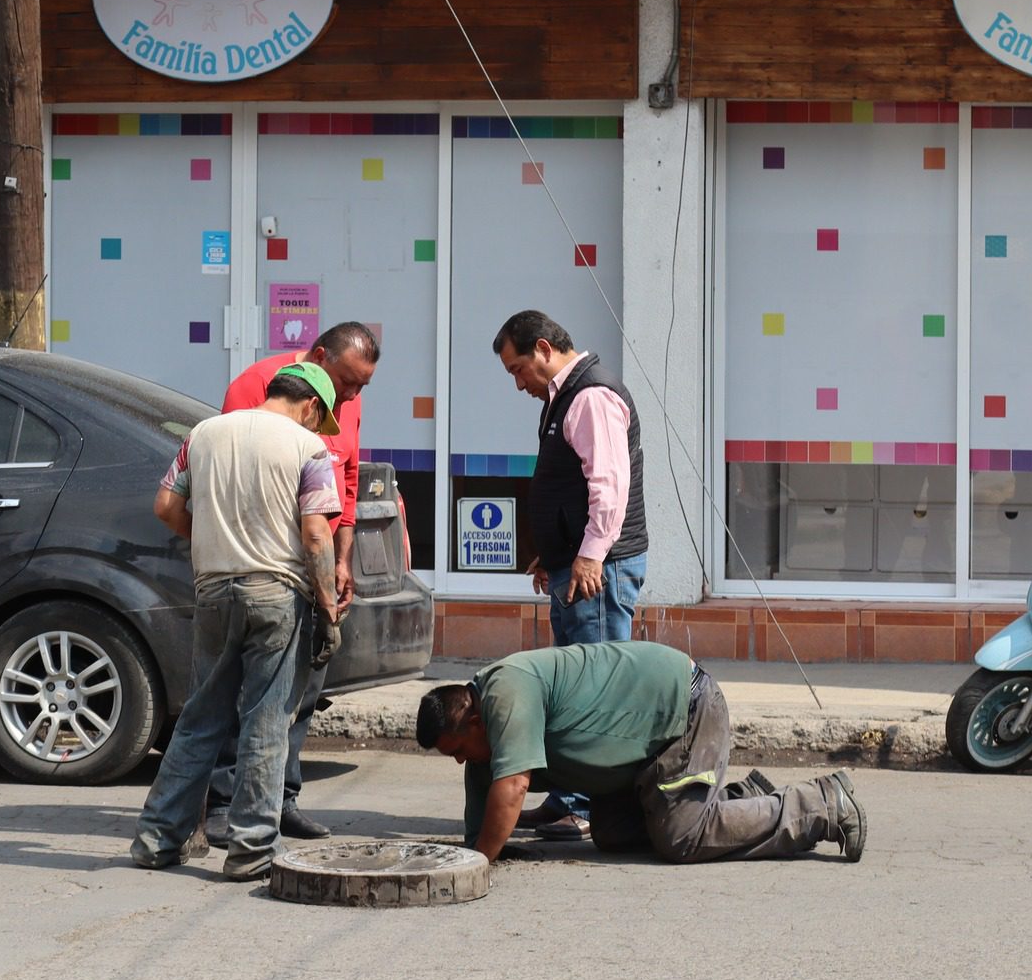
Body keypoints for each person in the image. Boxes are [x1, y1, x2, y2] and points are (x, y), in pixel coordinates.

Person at [133, 362, 346, 881]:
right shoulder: (308, 447)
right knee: (267, 721)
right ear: (311, 406)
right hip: (277, 593)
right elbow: (317, 535)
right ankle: (252, 849)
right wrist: (327, 606)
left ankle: (157, 838)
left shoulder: (205, 433)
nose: (320, 429)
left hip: (213, 592)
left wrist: (213, 538)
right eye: (321, 418)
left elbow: (165, 505)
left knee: (201, 718)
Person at [416, 641, 865, 865]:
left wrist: (479, 865)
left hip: (683, 711)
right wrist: (475, 846)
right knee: (609, 832)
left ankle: (820, 805)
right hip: (643, 752)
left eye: (457, 750)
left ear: (472, 717)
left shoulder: (506, 693)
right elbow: (482, 788)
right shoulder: (482, 727)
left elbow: (513, 787)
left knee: (681, 840)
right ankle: (739, 800)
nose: (460, 761)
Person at [204, 321, 380, 844]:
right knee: (245, 694)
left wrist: (341, 561)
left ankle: (282, 800)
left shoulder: (349, 401)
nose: (350, 396)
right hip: (264, 565)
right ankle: (223, 802)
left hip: (318, 561)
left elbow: (346, 484)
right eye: (347, 381)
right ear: (319, 355)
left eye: (361, 387)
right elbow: (233, 476)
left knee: (303, 691)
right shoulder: (256, 384)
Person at [491, 309, 647, 841]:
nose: (517, 384)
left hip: (598, 572)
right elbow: (569, 484)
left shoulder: (590, 395)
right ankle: (571, 798)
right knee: (575, 681)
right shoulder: (564, 395)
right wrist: (556, 553)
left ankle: (586, 805)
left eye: (517, 370)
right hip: (578, 566)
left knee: (595, 685)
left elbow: (608, 486)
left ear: (542, 348)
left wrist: (588, 557)